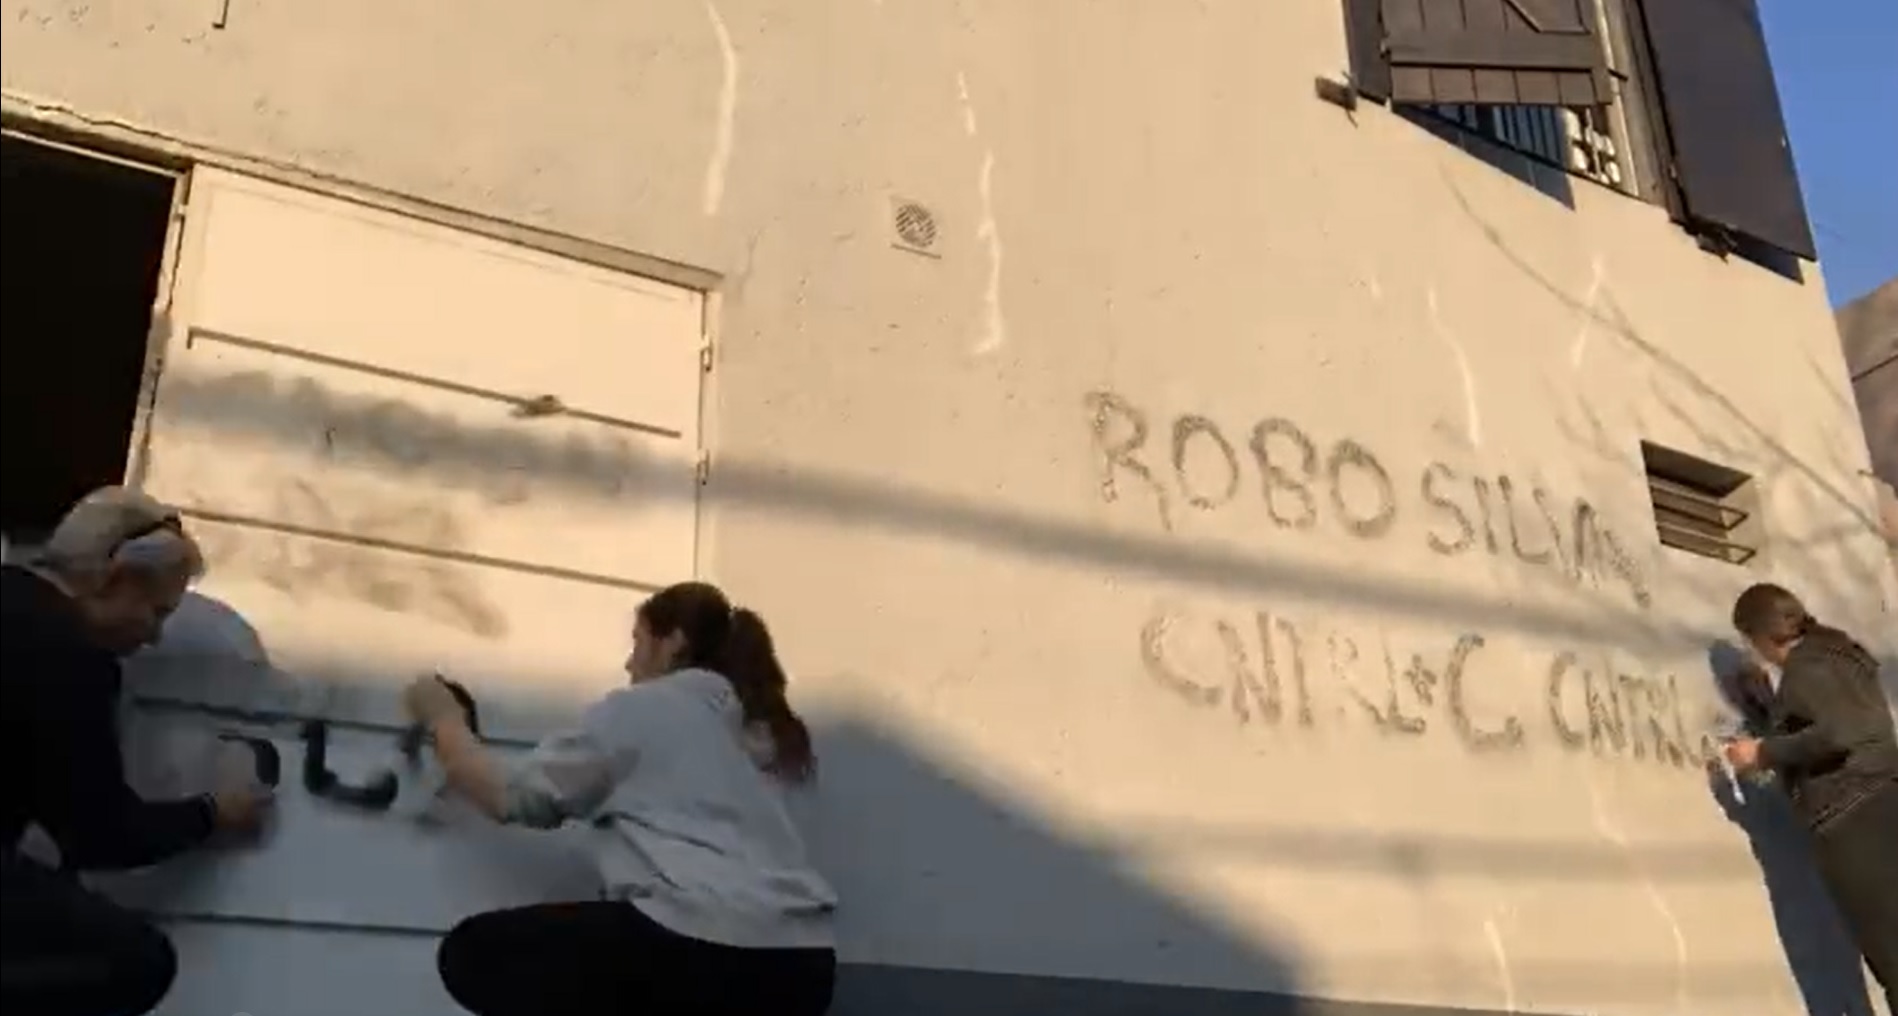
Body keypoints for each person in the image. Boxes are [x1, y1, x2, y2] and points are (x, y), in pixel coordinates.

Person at [404, 580, 838, 1016]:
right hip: (803, 967)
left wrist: (443, 715)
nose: (629, 664)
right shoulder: (764, 732)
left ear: (673, 643)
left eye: (638, 642)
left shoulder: (647, 708)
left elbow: (510, 797)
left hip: (704, 947)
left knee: (476, 953)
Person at [1, 486, 273, 1016]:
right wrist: (215, 811)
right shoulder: (69, 656)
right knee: (137, 961)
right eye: (157, 611)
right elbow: (100, 833)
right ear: (118, 578)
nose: (153, 637)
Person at [1723, 582, 1898, 1007]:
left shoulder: (1806, 668)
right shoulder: (1841, 653)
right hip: (1885, 801)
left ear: (1760, 636)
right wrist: (1774, 712)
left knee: (1892, 955)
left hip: (1851, 819)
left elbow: (1834, 733)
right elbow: (1835, 722)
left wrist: (1761, 751)